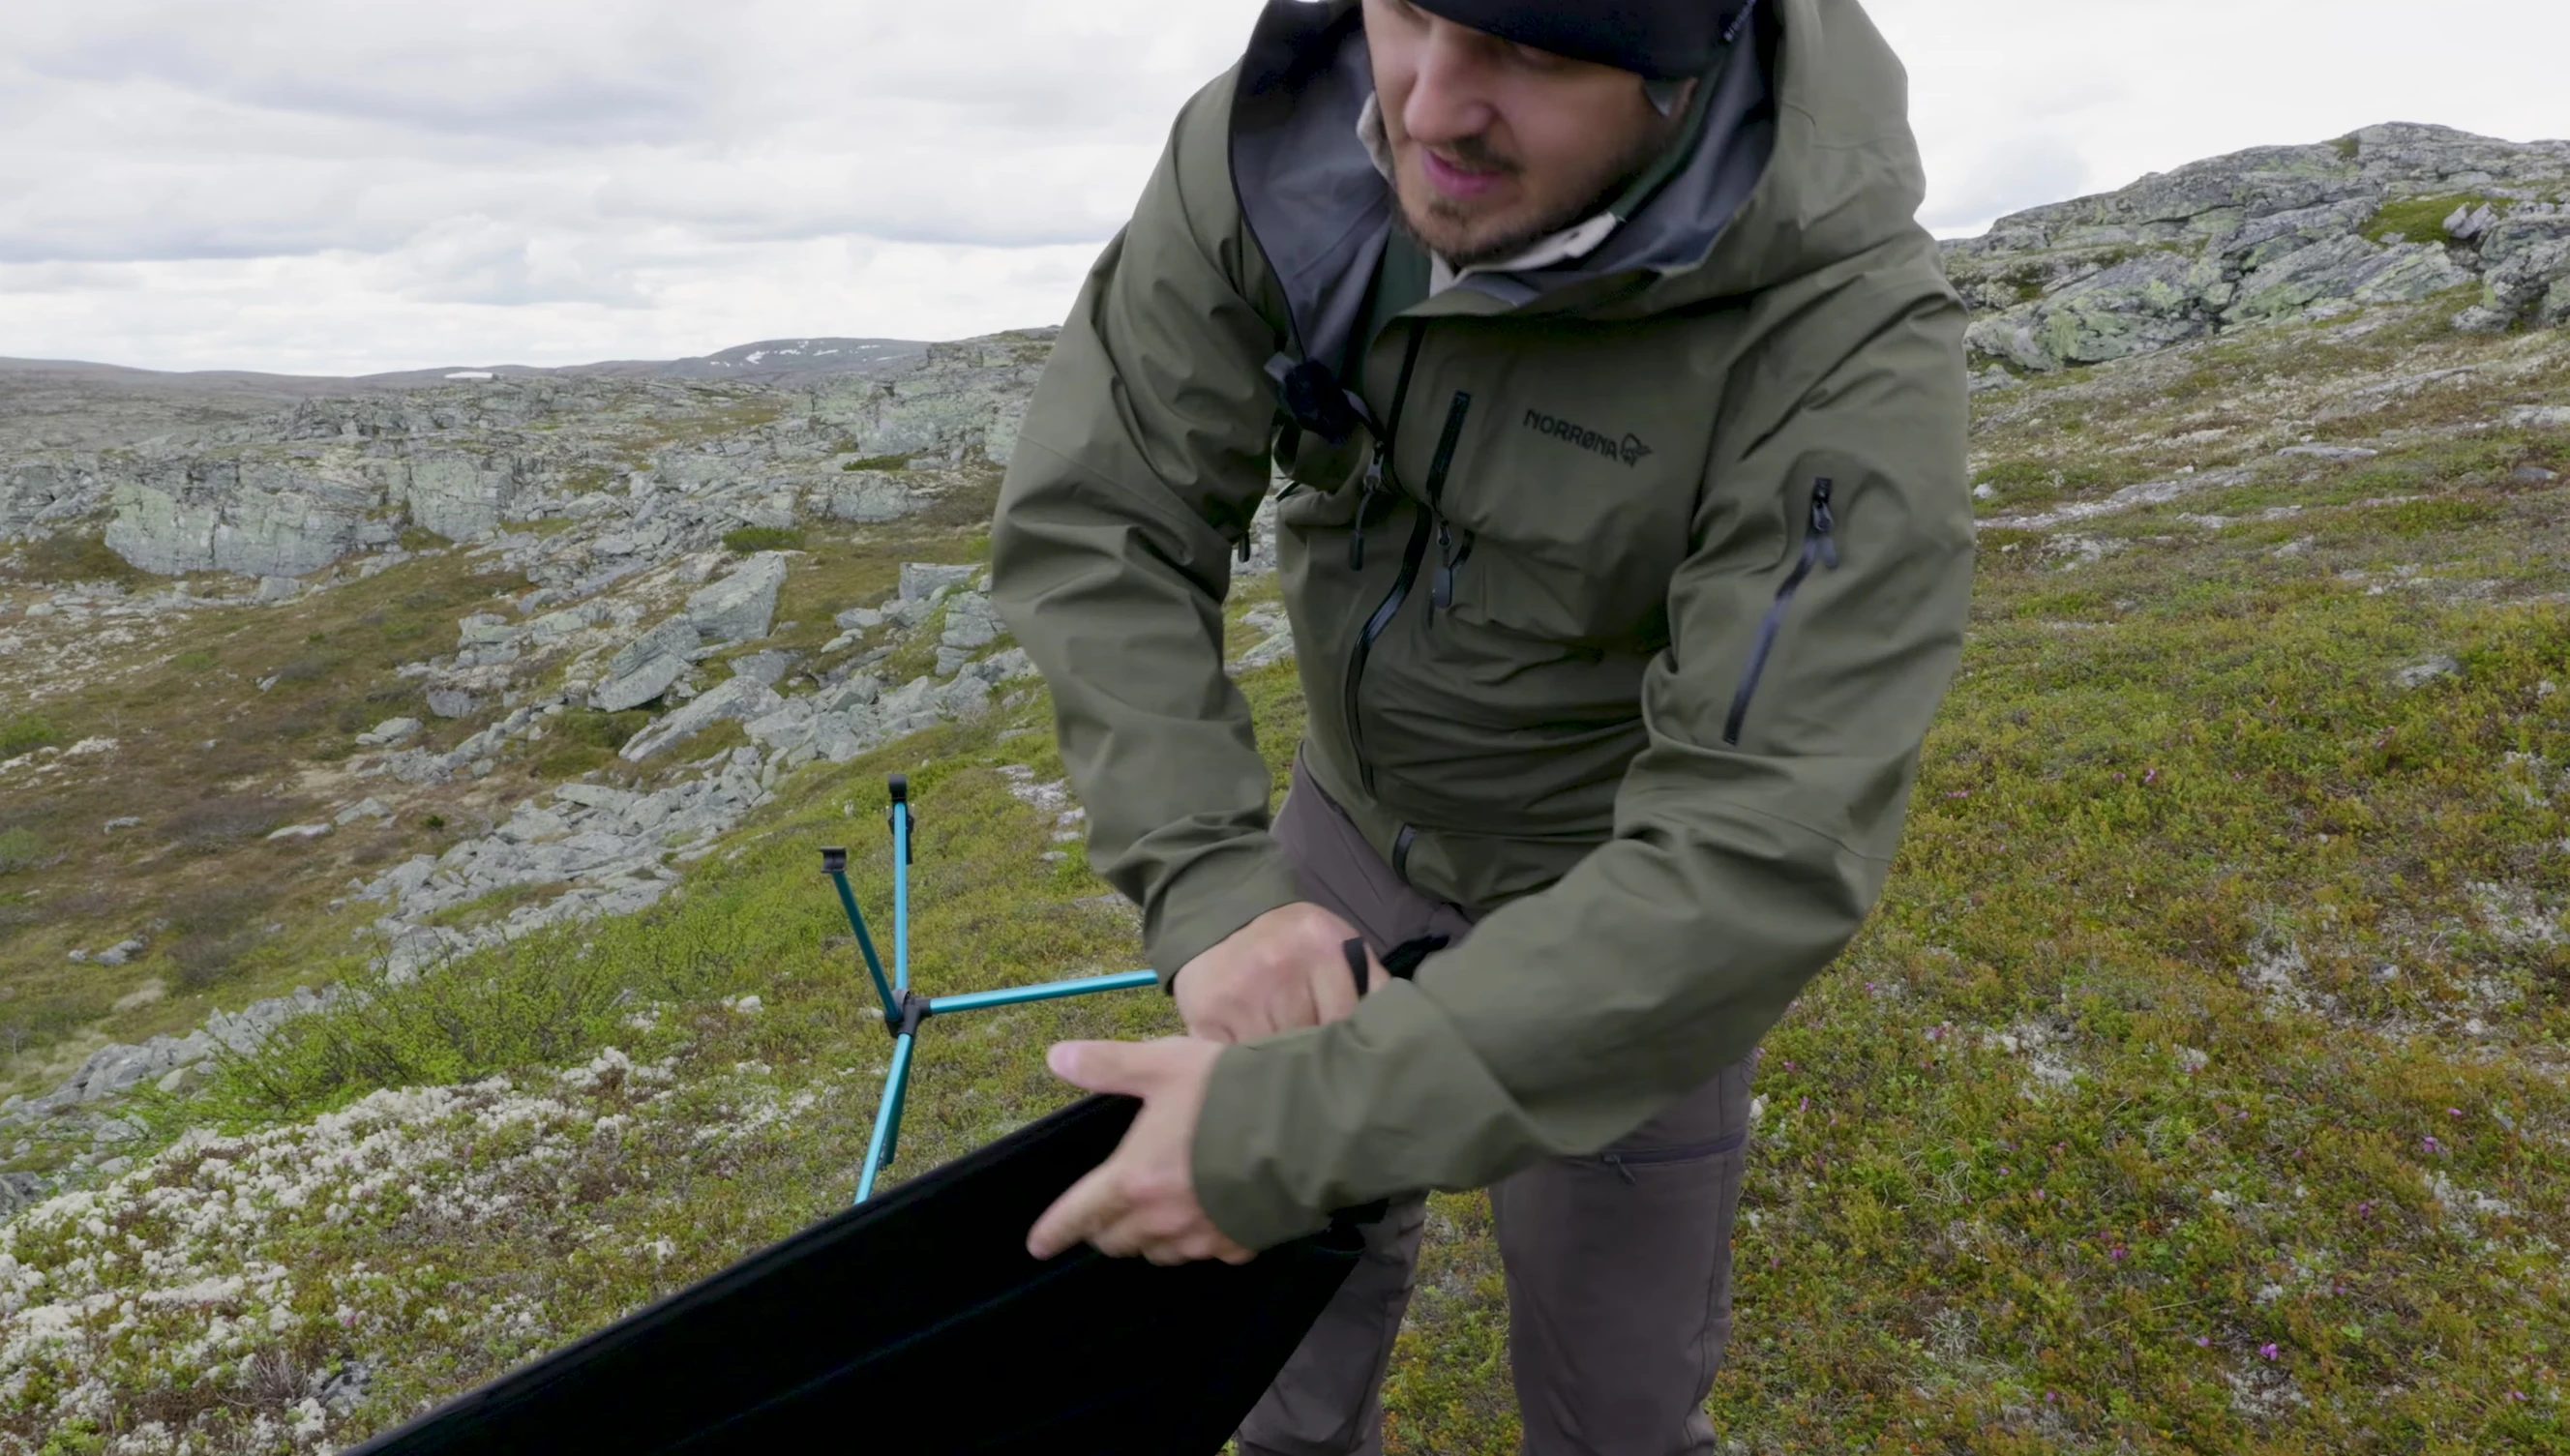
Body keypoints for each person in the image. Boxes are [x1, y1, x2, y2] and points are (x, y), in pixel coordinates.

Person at [992, 0, 1972, 1450]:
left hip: (1614, 897)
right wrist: (1207, 884)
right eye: (1408, 11)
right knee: (1278, 1362)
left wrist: (1316, 1116)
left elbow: (1757, 843)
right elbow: (1103, 513)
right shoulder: (1280, 144)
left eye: (1534, 49)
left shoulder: (1839, 340)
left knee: (1616, 1403)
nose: (1430, 107)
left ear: (1679, 68)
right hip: (1346, 831)